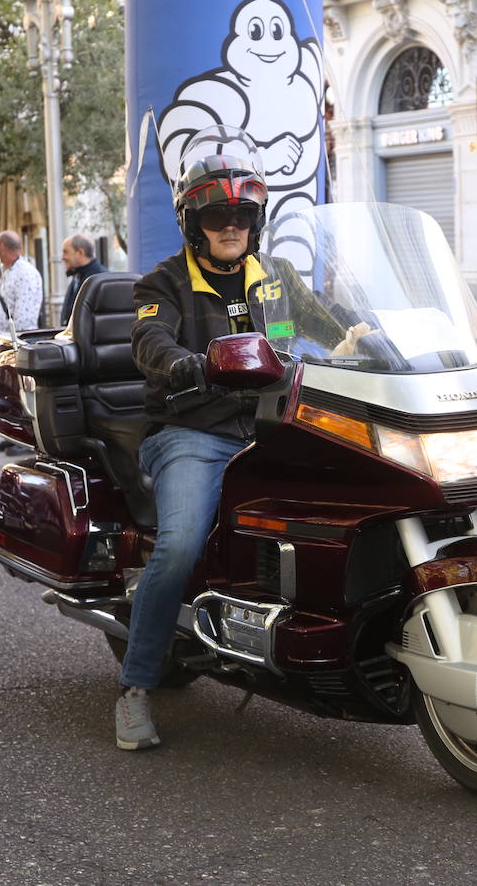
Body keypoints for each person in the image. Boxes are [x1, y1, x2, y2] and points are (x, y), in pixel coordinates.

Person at [114, 148, 364, 751]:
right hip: (192, 434)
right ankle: (136, 688)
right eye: (217, 217)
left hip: (276, 425)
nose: (231, 227)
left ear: (257, 221)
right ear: (191, 224)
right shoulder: (163, 283)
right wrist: (185, 365)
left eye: (243, 216)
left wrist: (388, 339)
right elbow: (150, 341)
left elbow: (334, 324)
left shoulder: (275, 276)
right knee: (176, 547)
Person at [0, 231, 44, 451]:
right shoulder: (9, 272)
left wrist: (15, 345)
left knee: (19, 392)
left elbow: (24, 314)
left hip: (14, 344)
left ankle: (26, 439)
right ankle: (12, 434)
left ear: (4, 248)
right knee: (7, 391)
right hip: (4, 342)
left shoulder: (25, 273)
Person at [60, 233, 106, 326]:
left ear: (80, 252)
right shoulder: (79, 275)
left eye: (66, 252)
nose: (62, 258)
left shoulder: (100, 280)